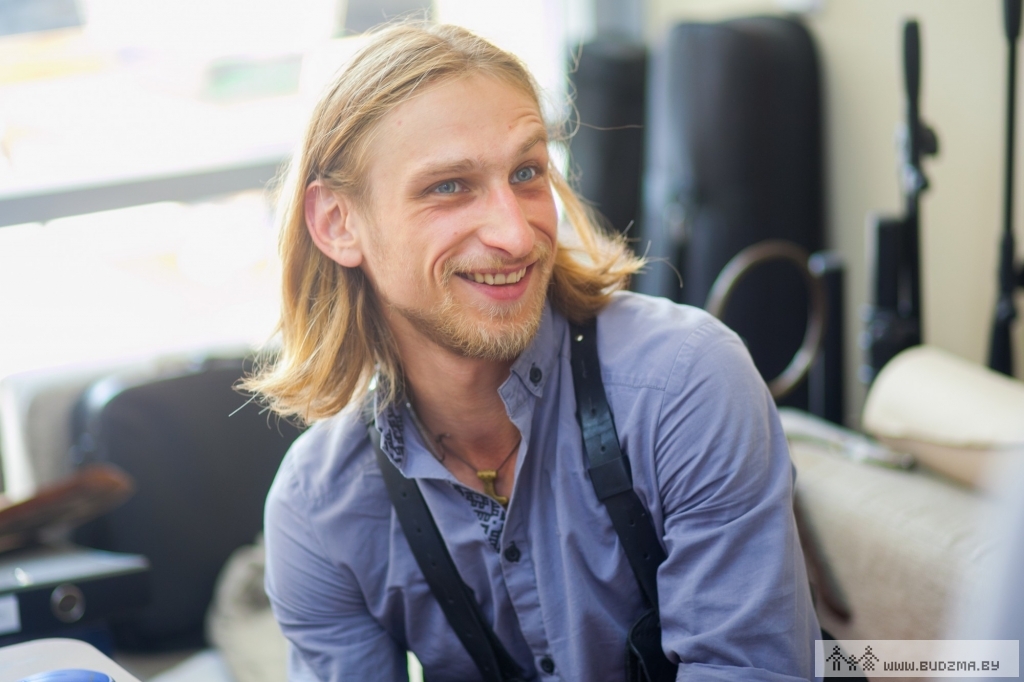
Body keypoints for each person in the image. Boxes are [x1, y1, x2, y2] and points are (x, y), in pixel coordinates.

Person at [246, 21, 820, 682]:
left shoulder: (685, 382)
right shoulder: (316, 509)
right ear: (337, 223)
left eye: (526, 173)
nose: (518, 236)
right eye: (449, 186)